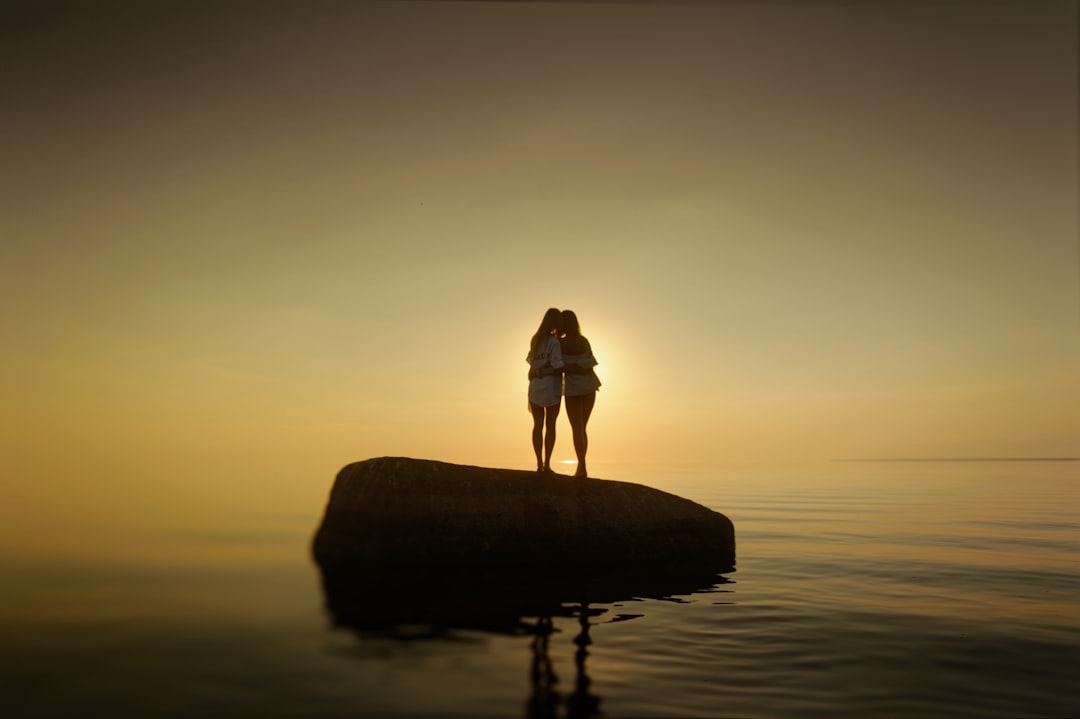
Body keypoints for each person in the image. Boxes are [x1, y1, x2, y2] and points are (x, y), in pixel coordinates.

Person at [559, 310, 600, 478]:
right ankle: (582, 466)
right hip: (589, 386)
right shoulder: (583, 341)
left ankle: (582, 468)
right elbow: (589, 365)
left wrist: (567, 368)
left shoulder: (561, 343)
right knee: (582, 428)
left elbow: (558, 365)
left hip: (575, 388)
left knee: (577, 428)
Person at [527, 308, 565, 472]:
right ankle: (547, 463)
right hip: (551, 386)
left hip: (535, 385)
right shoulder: (554, 342)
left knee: (537, 425)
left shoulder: (535, 340)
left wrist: (538, 370)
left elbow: (530, 361)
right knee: (551, 425)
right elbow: (557, 365)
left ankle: (539, 463)